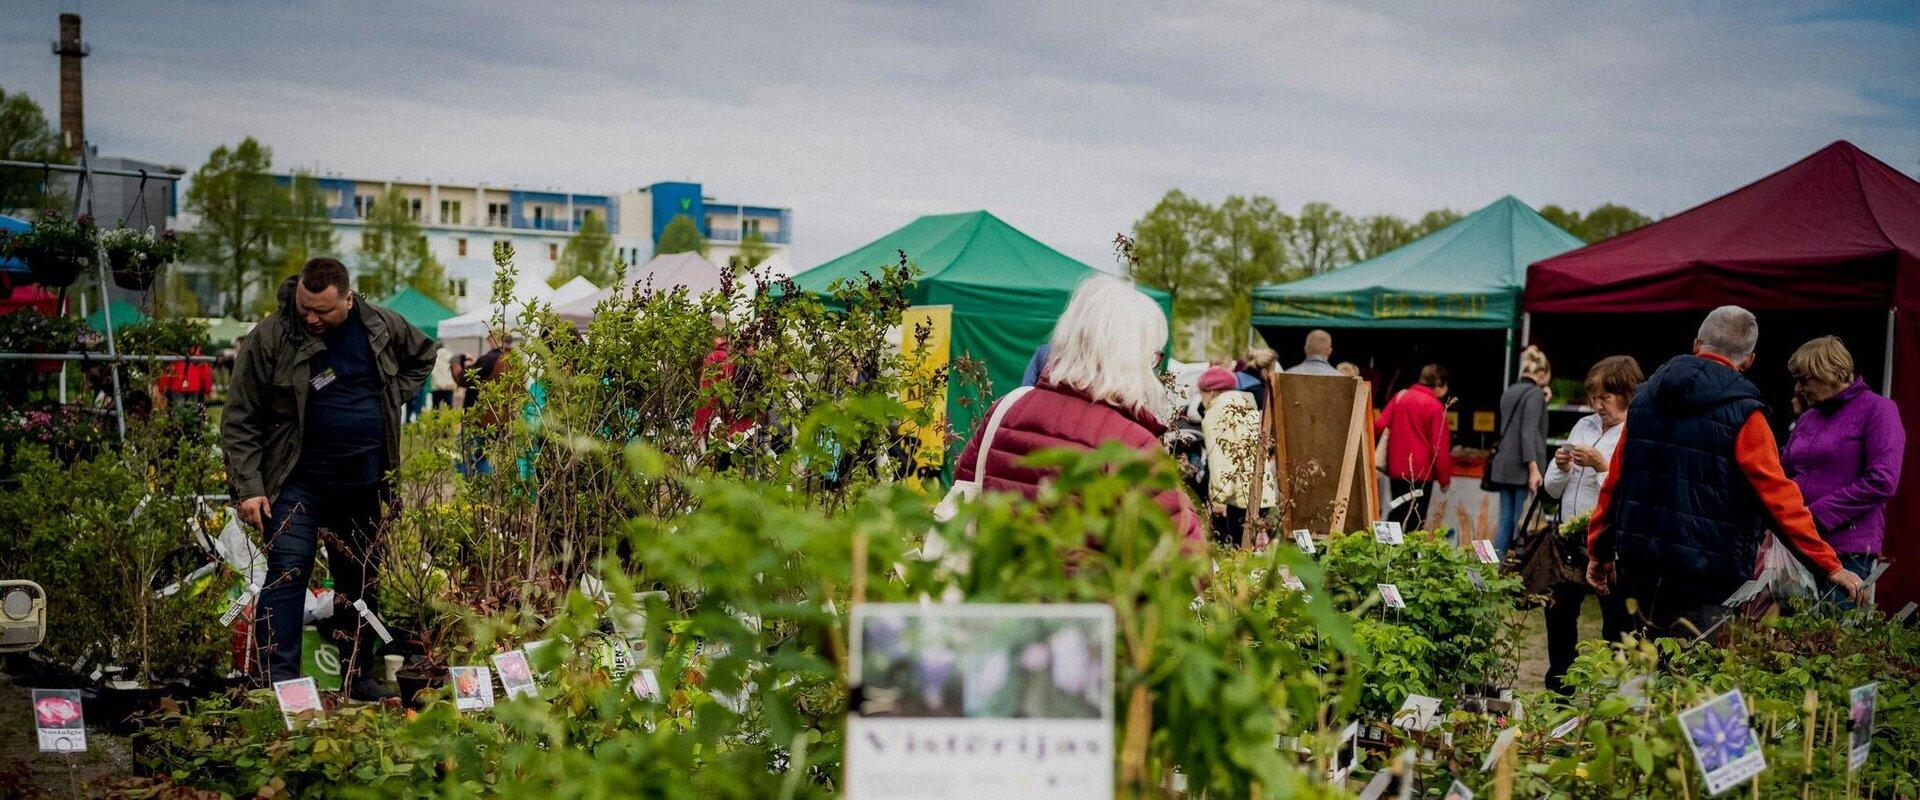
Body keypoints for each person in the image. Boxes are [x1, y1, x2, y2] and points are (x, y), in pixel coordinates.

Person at [222, 258, 435, 700]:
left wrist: (391, 393)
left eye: (323, 311)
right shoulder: (271, 337)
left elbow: (423, 353)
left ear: (348, 298)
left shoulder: (379, 324)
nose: (312, 319)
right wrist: (250, 488)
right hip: (298, 481)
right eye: (305, 309)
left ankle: (356, 676)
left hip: (362, 482)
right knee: (287, 575)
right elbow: (240, 418)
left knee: (360, 582)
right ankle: (280, 685)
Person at [1585, 306, 1866, 640]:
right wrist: (1830, 565)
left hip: (1638, 566)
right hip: (1707, 577)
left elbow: (1616, 481)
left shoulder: (1644, 400)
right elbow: (1778, 499)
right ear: (1748, 361)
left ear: (1696, 344)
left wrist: (1598, 553)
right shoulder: (1746, 414)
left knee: (1636, 675)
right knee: (1694, 681)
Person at [954, 275, 1203, 542]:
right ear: (1135, 358)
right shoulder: (1133, 446)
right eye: (1153, 356)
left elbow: (964, 494)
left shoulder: (1006, 410)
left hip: (997, 578)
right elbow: (1187, 564)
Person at [1539, 356, 1640, 693]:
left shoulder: (1637, 432)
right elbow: (1552, 490)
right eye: (1593, 398)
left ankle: (1615, 697)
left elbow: (1630, 493)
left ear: (1625, 394)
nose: (1597, 405)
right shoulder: (1583, 426)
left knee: (1617, 625)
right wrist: (1559, 466)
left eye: (1604, 399)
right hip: (1570, 540)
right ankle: (1560, 690)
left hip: (1610, 544)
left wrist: (1600, 467)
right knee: (1558, 615)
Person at [1782, 336, 1905, 608]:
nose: (1799, 388)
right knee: (1786, 643)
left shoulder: (1878, 410)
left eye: (1805, 379)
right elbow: (1784, 474)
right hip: (1801, 545)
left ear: (1829, 371)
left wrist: (1816, 515)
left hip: (1846, 551)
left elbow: (1882, 481)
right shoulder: (1808, 418)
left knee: (1832, 642)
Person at [1197, 366, 1276, 547]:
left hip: (1239, 501)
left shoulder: (1216, 413)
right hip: (1264, 494)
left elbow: (1221, 460)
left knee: (1237, 558)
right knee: (1260, 558)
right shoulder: (1247, 406)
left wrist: (1218, 498)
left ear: (1209, 392)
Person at [1488, 346, 1551, 556]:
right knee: (1519, 522)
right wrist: (1534, 468)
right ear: (1541, 374)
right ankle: (1506, 568)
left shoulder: (1510, 391)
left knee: (1506, 519)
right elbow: (1528, 433)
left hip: (1504, 466)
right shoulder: (1535, 395)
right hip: (1523, 468)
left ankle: (1493, 567)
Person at [1374, 364, 1453, 530]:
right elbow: (1439, 448)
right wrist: (1444, 479)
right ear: (1438, 385)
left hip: (1396, 470)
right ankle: (1411, 555)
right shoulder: (1436, 407)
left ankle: (1386, 550)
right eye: (1445, 386)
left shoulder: (1400, 397)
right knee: (1416, 518)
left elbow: (1379, 425)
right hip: (1421, 474)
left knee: (1396, 511)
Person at [159, 345, 214, 409]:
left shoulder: (174, 359)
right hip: (193, 388)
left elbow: (167, 373)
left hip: (177, 388)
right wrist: (208, 390)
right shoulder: (200, 361)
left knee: (179, 411)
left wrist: (162, 388)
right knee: (193, 412)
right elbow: (205, 376)